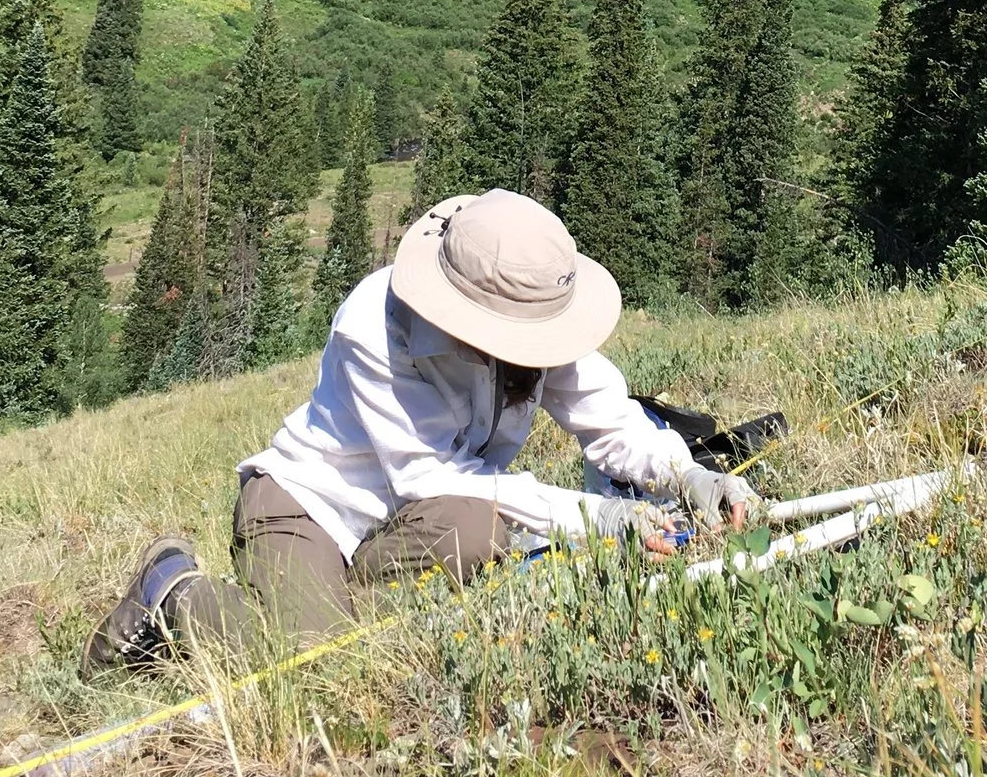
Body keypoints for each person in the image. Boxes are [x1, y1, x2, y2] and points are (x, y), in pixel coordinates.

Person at [85, 188, 759, 673]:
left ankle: (323, 602)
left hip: (416, 523)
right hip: (309, 506)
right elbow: (433, 476)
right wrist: (604, 515)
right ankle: (173, 590)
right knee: (314, 661)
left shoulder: (531, 307)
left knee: (472, 533)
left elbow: (609, 420)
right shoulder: (374, 327)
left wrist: (691, 475)